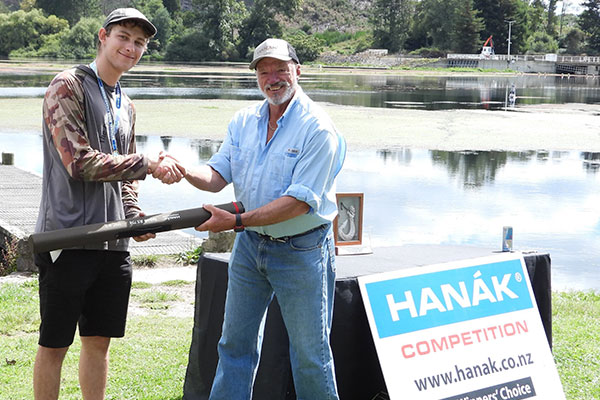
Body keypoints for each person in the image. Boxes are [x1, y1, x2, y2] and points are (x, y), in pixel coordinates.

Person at [32, 8, 184, 400]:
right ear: (103, 36)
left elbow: (126, 180)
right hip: (68, 239)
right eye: (123, 37)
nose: (130, 47)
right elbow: (78, 162)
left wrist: (134, 218)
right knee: (54, 344)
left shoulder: (126, 104)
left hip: (114, 244)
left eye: (140, 43)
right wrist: (148, 163)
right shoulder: (68, 86)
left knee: (99, 342)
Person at [182, 38, 346, 399]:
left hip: (302, 250)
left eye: (281, 69)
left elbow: (299, 204)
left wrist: (236, 222)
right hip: (249, 247)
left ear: (297, 71)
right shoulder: (243, 121)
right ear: (256, 77)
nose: (273, 78)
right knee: (234, 345)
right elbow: (216, 176)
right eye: (263, 71)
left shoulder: (318, 128)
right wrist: (182, 170)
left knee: (310, 355)